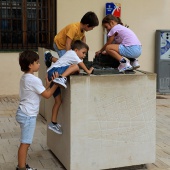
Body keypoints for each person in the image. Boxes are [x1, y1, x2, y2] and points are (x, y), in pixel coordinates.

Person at [16, 50, 59, 170]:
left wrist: (48, 84)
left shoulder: (25, 78)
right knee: (25, 143)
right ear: (30, 65)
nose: (39, 64)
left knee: (25, 142)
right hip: (28, 115)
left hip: (22, 112)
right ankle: (21, 167)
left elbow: (40, 92)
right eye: (37, 62)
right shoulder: (33, 80)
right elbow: (47, 95)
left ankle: (21, 165)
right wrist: (56, 83)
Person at [44, 40, 94, 134]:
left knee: (58, 101)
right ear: (76, 50)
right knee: (75, 67)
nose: (84, 55)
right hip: (55, 72)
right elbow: (79, 65)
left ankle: (53, 123)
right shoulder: (72, 54)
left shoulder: (70, 55)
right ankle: (61, 78)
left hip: (51, 74)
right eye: (83, 53)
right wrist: (88, 71)